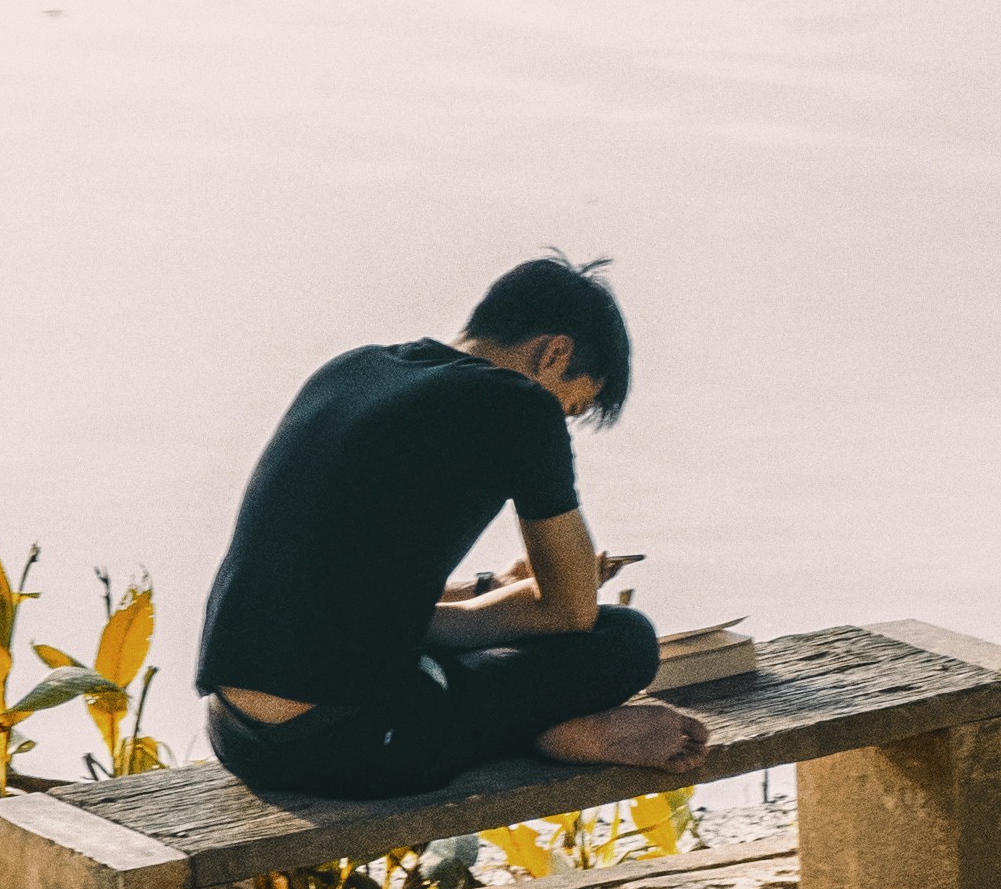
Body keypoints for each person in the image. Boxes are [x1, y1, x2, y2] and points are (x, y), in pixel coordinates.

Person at [195, 256, 709, 804]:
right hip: (351, 747)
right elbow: (571, 613)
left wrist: (492, 589)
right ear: (554, 352)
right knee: (623, 639)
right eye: (571, 406)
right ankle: (548, 734)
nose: (559, 421)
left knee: (464, 657)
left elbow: (347, 600)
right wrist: (547, 592)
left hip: (238, 735)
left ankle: (515, 721)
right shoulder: (519, 405)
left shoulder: (352, 368)